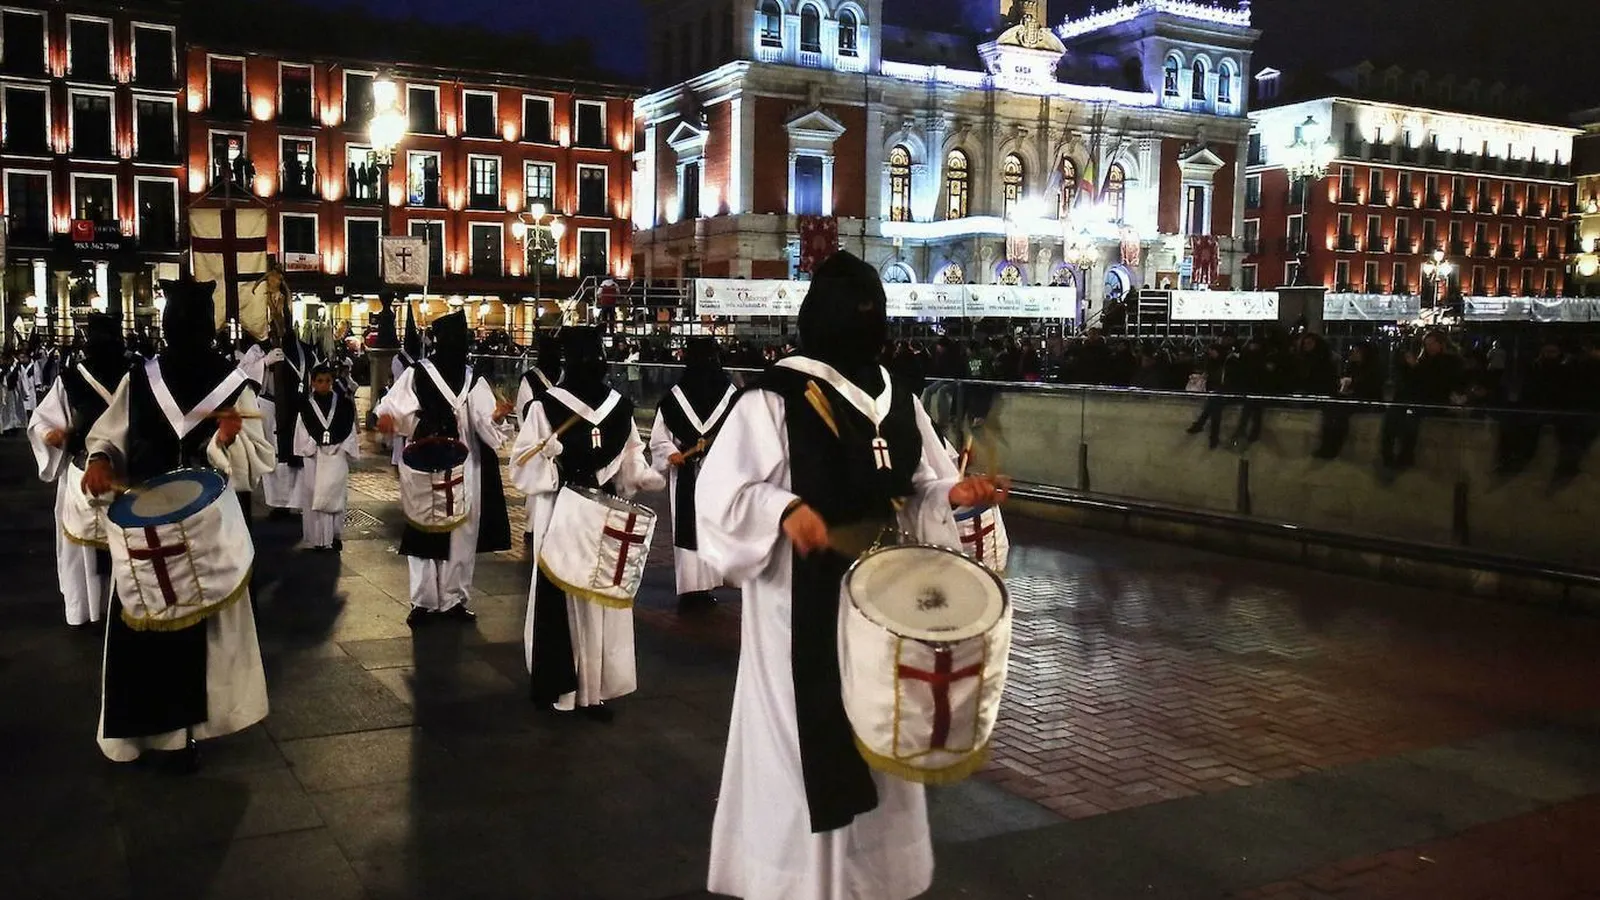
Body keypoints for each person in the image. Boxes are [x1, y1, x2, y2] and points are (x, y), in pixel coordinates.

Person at [694, 251, 1010, 900]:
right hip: (798, 602)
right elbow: (722, 492)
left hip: (885, 602)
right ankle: (798, 886)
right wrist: (782, 509)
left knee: (882, 722)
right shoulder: (775, 398)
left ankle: (871, 884)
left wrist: (951, 495)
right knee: (803, 748)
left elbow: (917, 488)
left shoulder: (898, 400)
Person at [79, 277, 272, 768]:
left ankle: (187, 734)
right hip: (146, 525)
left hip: (207, 530)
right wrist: (99, 459)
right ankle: (148, 735)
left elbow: (258, 460)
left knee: (201, 635)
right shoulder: (142, 378)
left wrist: (227, 441)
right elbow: (109, 435)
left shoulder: (231, 383)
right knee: (143, 626)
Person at [511, 326, 663, 720]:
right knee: (583, 594)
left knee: (583, 593)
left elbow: (524, 467)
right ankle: (580, 691)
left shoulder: (562, 406)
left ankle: (582, 691)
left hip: (578, 509)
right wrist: (645, 476)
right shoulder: (601, 407)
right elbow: (632, 463)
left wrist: (556, 462)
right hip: (587, 509)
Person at [376, 311, 513, 625]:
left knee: (461, 533)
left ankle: (453, 600)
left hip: (466, 464)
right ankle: (423, 601)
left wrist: (496, 417)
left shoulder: (472, 378)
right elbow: (393, 408)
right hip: (427, 462)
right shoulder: (418, 374)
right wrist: (388, 419)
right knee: (424, 527)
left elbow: (484, 420)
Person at [27, 314, 129, 627]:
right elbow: (44, 422)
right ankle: (99, 609)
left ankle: (94, 610)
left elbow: (42, 420)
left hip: (100, 474)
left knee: (96, 551)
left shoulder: (133, 376)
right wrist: (51, 434)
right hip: (104, 472)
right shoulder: (74, 378)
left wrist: (49, 434)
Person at [650, 337, 737, 612]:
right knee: (693, 528)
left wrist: (668, 451)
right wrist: (670, 453)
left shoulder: (726, 396)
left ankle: (703, 587)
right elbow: (661, 439)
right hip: (698, 472)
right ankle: (693, 589)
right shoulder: (728, 396)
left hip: (703, 471)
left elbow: (659, 437)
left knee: (706, 527)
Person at [293, 363, 359, 551]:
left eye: (328, 381)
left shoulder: (344, 405)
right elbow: (302, 432)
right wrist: (313, 445)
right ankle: (317, 539)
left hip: (336, 455)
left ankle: (335, 536)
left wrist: (339, 447)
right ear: (313, 383)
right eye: (320, 381)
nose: (324, 385)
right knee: (313, 494)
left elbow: (350, 430)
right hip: (314, 457)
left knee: (336, 495)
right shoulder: (305, 407)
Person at [259, 335, 317, 518]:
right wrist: (264, 363)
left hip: (299, 408)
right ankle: (279, 503)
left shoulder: (306, 351)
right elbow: (246, 374)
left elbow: (316, 375)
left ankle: (297, 501)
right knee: (276, 456)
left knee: (298, 453)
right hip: (272, 408)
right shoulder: (262, 349)